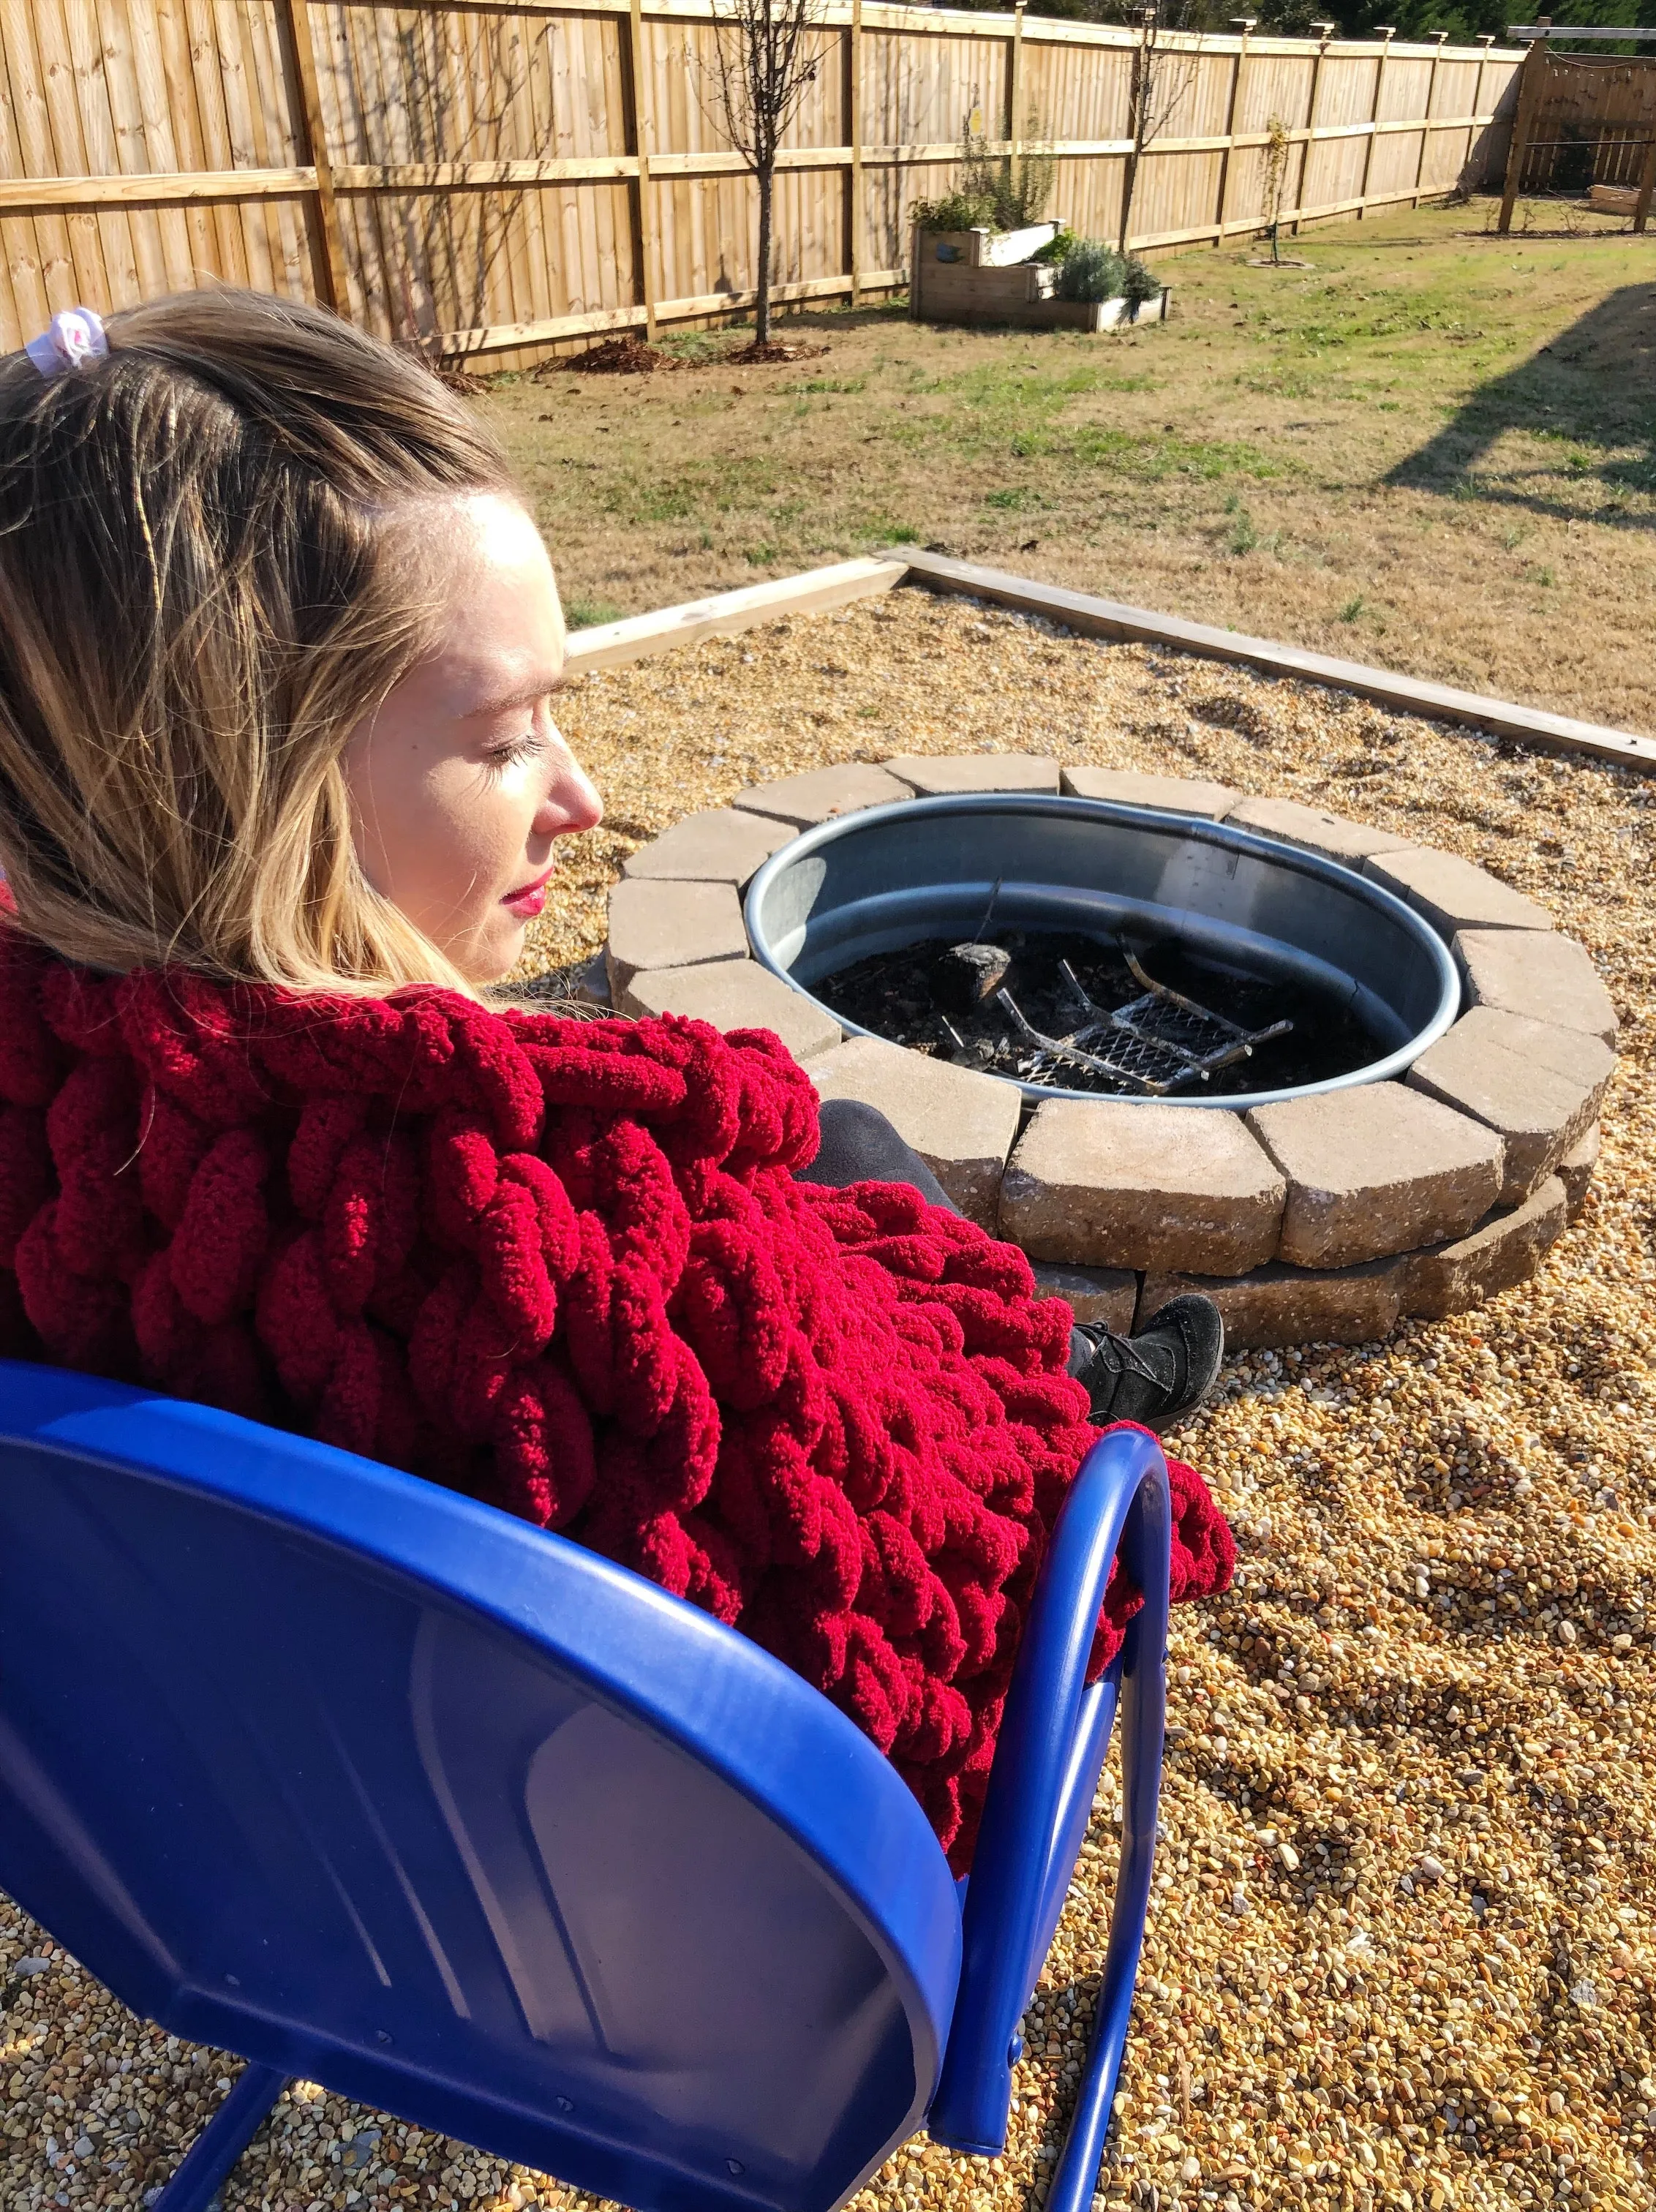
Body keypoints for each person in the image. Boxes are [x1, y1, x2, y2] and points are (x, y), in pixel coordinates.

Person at [0, 291, 1231, 1870]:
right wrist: (1072, 1471)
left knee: (837, 1151)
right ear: (256, 789)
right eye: (509, 736)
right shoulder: (544, 1233)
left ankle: (1072, 1351)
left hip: (252, 1867)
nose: (583, 793)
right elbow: (897, 1618)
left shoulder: (61, 1122)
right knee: (860, 1162)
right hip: (642, 1944)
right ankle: (1088, 1381)